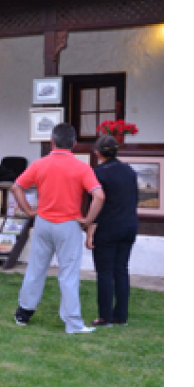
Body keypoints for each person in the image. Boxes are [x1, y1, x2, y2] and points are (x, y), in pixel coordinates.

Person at [12, 123, 105, 334]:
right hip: (69, 224)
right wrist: (88, 219)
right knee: (68, 274)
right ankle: (72, 323)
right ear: (74, 144)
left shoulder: (39, 164)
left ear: (52, 142)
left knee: (36, 269)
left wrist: (28, 210)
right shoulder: (81, 167)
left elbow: (17, 187)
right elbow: (99, 195)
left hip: (43, 222)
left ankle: (23, 313)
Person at [85, 135, 138, 326]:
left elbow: (96, 204)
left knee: (105, 272)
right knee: (122, 270)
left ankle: (105, 316)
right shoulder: (129, 171)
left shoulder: (98, 173)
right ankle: (121, 315)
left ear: (97, 153)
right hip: (129, 225)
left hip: (108, 227)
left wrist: (89, 228)